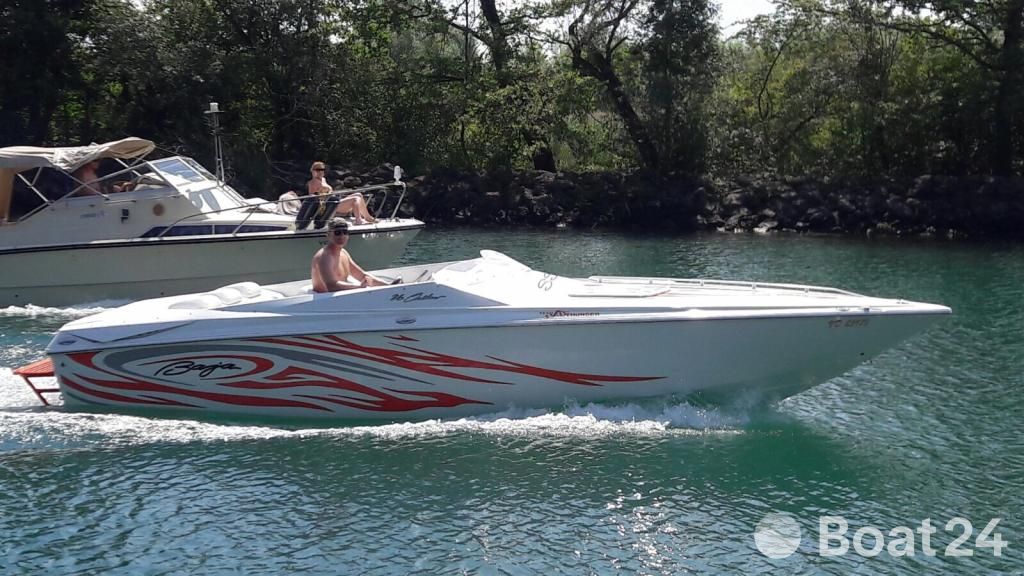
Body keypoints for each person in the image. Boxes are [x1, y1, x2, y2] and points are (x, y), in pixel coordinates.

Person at [311, 218, 390, 293]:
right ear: (328, 235)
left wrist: (389, 285)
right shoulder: (324, 257)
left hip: (342, 296)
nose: (342, 236)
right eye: (337, 233)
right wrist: (359, 287)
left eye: (345, 232)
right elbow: (331, 286)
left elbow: (362, 276)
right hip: (325, 299)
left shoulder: (343, 253)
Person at [306, 161, 376, 225]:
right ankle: (358, 220)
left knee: (358, 194)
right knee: (355, 199)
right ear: (313, 171)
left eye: (322, 169)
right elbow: (312, 199)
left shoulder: (323, 180)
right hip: (328, 205)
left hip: (334, 201)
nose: (321, 172)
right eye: (318, 170)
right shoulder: (312, 182)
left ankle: (368, 217)